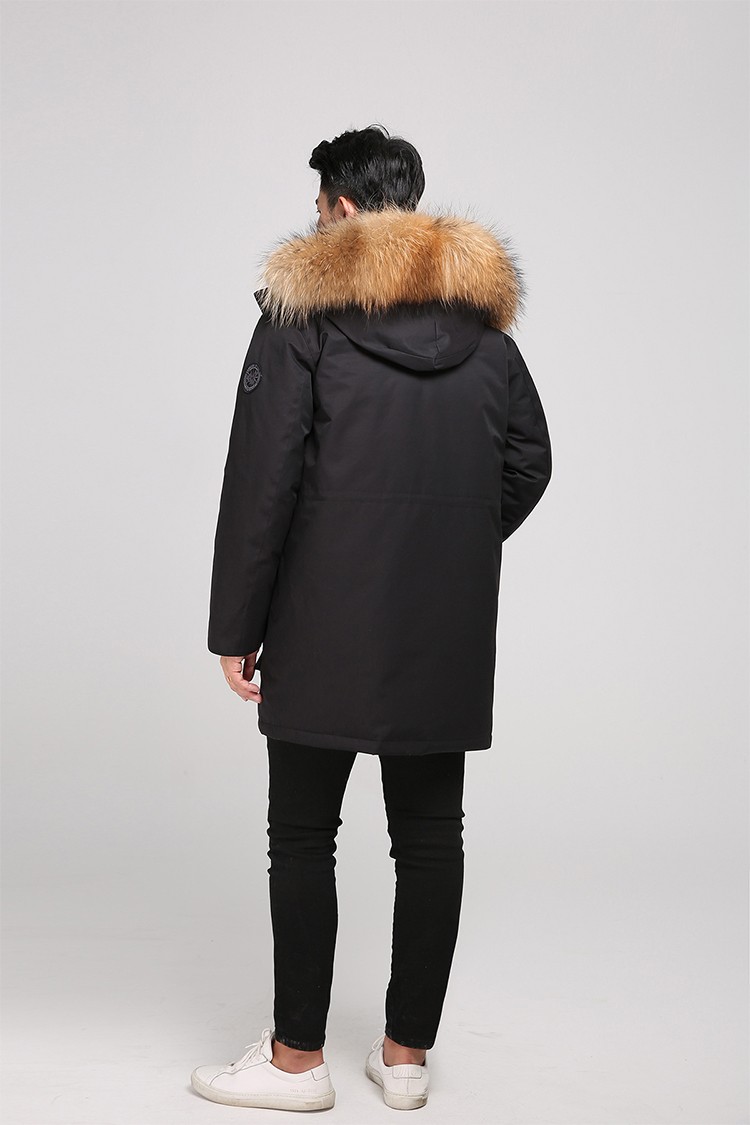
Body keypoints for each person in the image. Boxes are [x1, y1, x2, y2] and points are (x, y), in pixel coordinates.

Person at [191, 124, 553, 1113]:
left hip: (322, 621)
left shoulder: (299, 324)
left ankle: (295, 1064)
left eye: (318, 207)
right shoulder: (486, 339)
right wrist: (450, 547)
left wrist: (236, 625)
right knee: (430, 835)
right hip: (443, 627)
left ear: (344, 208)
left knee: (303, 834)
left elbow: (261, 483)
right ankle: (405, 1060)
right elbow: (530, 462)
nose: (313, 222)